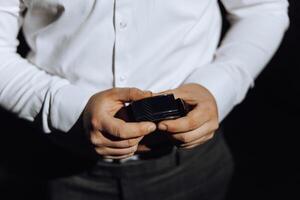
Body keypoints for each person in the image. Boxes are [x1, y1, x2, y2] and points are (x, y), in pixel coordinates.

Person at [0, 0, 289, 199]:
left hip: (190, 167)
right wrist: (65, 109)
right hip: (50, 166)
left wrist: (216, 88)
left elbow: (262, 9)